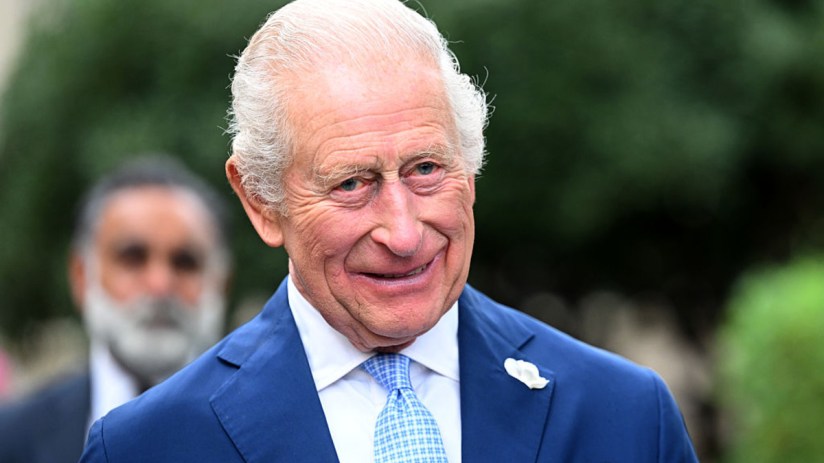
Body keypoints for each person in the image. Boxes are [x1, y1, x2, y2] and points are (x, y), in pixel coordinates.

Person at [79, 1, 699, 461]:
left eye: (427, 169)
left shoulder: (624, 418)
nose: (403, 232)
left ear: (471, 172)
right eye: (352, 184)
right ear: (263, 203)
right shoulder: (148, 447)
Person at [0, 156, 232, 463]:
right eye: (133, 257)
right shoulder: (12, 438)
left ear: (221, 282)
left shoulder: (269, 429)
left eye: (185, 261)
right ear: (82, 276)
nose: (160, 285)